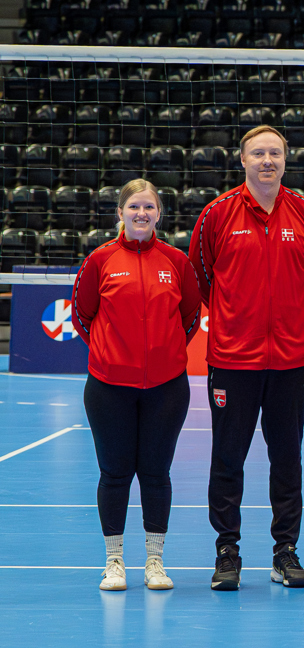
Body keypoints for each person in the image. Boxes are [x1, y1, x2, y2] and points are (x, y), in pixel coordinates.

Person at [189, 125, 304, 591]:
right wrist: (236, 317)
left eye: (275, 153)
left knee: (287, 459)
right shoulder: (217, 213)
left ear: (285, 160)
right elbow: (201, 277)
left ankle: (285, 551)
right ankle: (227, 550)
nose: (267, 161)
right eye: (258, 153)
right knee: (228, 458)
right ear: (242, 159)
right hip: (233, 359)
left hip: (290, 361)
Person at [72, 179, 201, 591]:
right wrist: (111, 353)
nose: (141, 214)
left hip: (167, 387)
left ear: (159, 214)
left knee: (156, 473)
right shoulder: (100, 260)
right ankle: (114, 561)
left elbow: (191, 316)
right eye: (134, 207)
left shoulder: (177, 262)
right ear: (121, 213)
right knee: (114, 473)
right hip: (109, 386)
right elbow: (82, 315)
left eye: (148, 207)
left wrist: (164, 353)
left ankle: (154, 561)